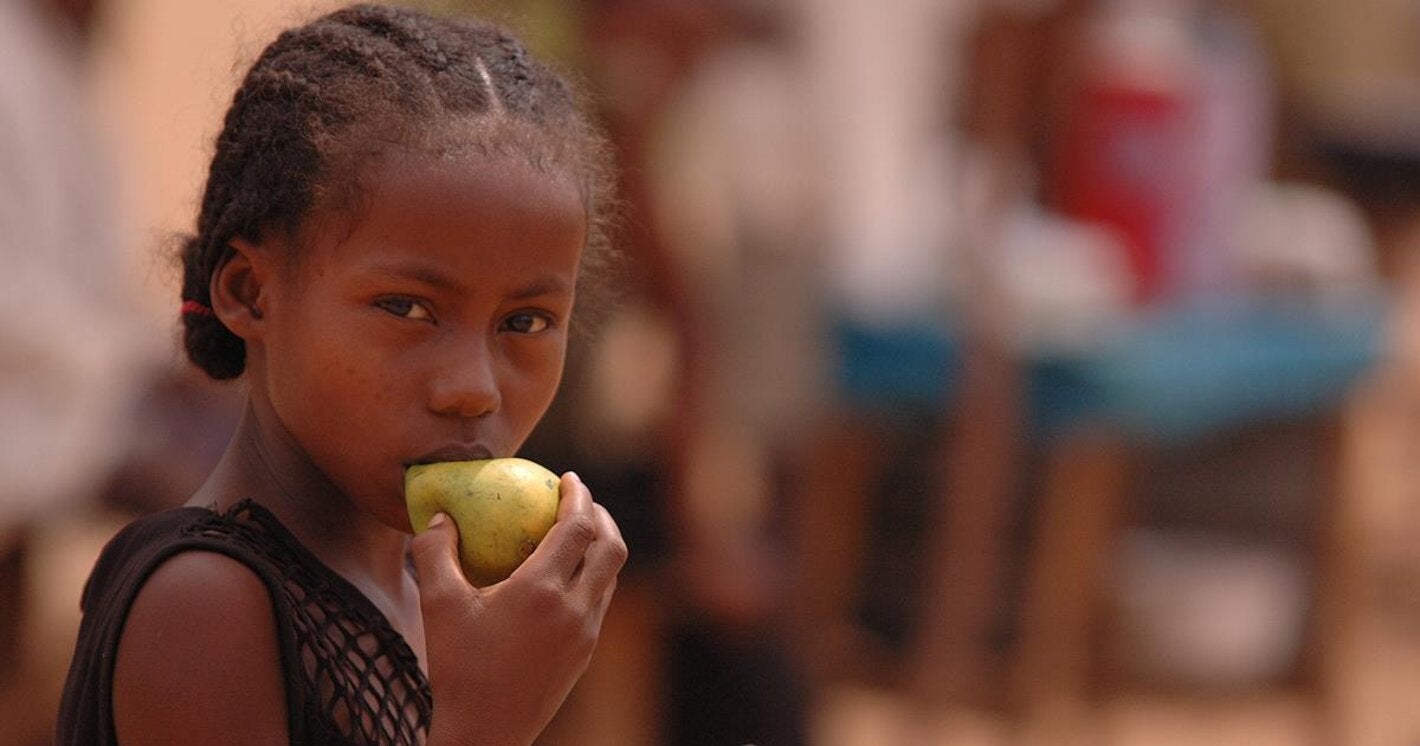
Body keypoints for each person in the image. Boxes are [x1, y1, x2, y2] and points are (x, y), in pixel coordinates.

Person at [55, 4, 628, 744]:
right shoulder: (206, 604)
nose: (474, 388)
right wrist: (488, 724)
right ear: (249, 292)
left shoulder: (437, 597)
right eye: (407, 308)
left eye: (524, 322)